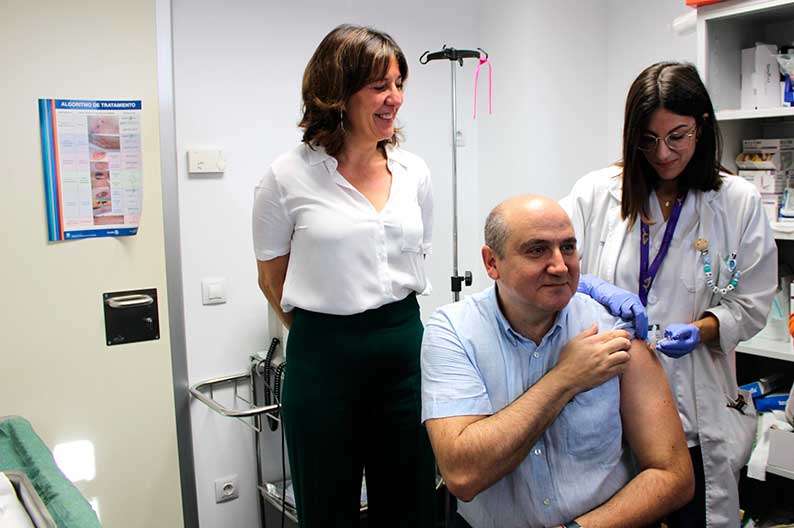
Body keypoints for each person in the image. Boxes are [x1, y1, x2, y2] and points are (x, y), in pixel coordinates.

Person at [561, 62, 777, 527]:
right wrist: (592, 285)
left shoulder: (735, 201)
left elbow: (753, 301)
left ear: (701, 126)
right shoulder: (596, 192)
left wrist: (701, 330)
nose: (662, 153)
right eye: (648, 139)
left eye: (677, 136)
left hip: (694, 402)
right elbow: (556, 270)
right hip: (610, 400)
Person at [252, 25, 436, 527]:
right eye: (379, 86)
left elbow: (419, 252)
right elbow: (272, 280)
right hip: (323, 359)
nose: (394, 98)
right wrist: (327, 337)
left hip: (404, 350)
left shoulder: (414, 172)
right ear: (337, 91)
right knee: (326, 504)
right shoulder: (286, 177)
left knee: (412, 502)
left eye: (399, 84)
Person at [421, 195, 694, 528]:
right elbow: (462, 475)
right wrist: (565, 378)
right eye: (537, 250)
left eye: (568, 247)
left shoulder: (614, 330)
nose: (560, 266)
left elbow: (674, 474)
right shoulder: (455, 331)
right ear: (492, 262)